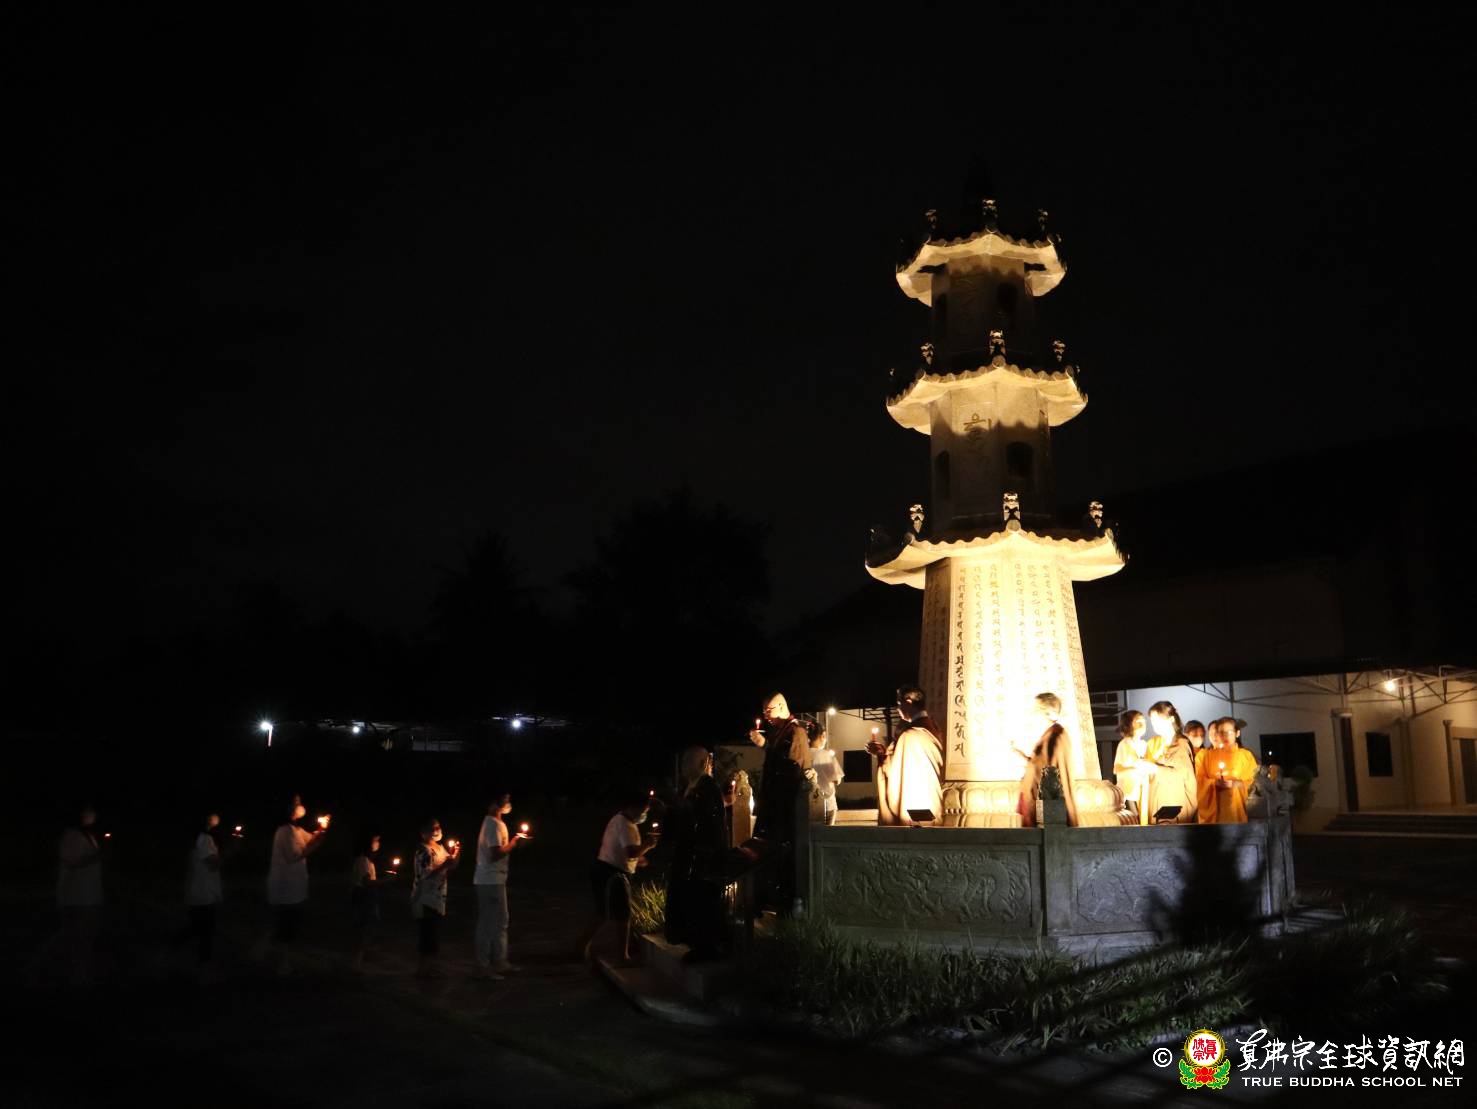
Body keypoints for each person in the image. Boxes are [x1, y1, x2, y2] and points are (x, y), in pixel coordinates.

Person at [665, 746, 731, 962]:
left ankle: (706, 947)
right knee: (692, 902)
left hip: (703, 860)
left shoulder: (707, 787)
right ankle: (696, 943)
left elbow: (710, 826)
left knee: (703, 904)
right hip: (690, 857)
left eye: (688, 763)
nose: (684, 768)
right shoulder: (691, 786)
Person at [587, 794, 660, 963]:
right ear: (632, 807)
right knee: (622, 915)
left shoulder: (618, 819)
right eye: (643, 810)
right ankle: (622, 956)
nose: (644, 814)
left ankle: (582, 946)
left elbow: (621, 848)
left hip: (606, 871)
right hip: (614, 874)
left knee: (604, 914)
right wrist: (648, 845)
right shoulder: (625, 825)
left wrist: (639, 859)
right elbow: (631, 852)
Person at [265, 795, 328, 975]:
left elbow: (311, 839)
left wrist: (322, 828)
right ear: (289, 809)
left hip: (293, 888)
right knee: (285, 925)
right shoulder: (285, 831)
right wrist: (315, 844)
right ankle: (281, 963)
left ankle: (280, 958)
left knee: (288, 924)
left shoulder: (296, 830)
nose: (300, 805)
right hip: (285, 888)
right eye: (297, 802)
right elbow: (295, 855)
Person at [869, 684, 943, 826]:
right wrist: (882, 753)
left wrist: (884, 757)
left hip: (914, 800)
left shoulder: (911, 734)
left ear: (908, 702)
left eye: (899, 703)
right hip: (931, 799)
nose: (897, 709)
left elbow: (899, 768)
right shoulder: (932, 727)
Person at [473, 792, 522, 980]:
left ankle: (500, 962)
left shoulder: (497, 823)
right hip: (489, 881)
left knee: (501, 921)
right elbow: (495, 854)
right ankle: (483, 966)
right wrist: (514, 843)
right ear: (494, 803)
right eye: (505, 799)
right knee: (488, 923)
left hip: (496, 880)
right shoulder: (492, 824)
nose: (508, 802)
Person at [1013, 693, 1079, 827]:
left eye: (1037, 710)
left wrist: (1030, 764)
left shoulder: (1056, 736)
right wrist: (1025, 758)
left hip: (1049, 804)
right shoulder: (1049, 735)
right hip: (1042, 799)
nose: (1032, 715)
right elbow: (1043, 763)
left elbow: (1049, 769)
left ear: (1050, 713)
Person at [56, 803, 105, 985]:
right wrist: (97, 856)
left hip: (88, 895)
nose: (92, 816)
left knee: (84, 938)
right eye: (88, 813)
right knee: (76, 938)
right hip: (79, 896)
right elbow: (71, 862)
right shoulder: (73, 836)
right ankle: (76, 976)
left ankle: (80, 974)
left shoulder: (87, 835)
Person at [752, 693, 811, 845]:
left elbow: (791, 769)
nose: (765, 716)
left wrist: (766, 745)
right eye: (764, 712)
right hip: (774, 807)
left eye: (768, 710)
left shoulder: (796, 732)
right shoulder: (780, 732)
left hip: (783, 809)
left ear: (781, 706)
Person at [410, 817, 461, 978]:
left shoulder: (440, 848)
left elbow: (451, 866)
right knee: (427, 935)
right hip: (424, 899)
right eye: (433, 828)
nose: (437, 830)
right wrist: (444, 865)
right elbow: (425, 875)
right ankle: (422, 970)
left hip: (438, 898)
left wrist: (456, 854)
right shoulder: (423, 851)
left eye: (438, 826)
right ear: (423, 832)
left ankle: (430, 968)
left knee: (433, 935)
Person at [177, 812, 225, 980]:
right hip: (203, 894)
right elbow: (213, 864)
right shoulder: (204, 839)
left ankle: (176, 952)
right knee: (204, 932)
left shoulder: (202, 839)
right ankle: (203, 967)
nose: (216, 819)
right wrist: (233, 850)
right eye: (213, 816)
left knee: (198, 929)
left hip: (200, 893)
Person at [1197, 717, 1260, 824]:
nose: (1225, 736)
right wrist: (1214, 783)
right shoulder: (1208, 756)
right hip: (1214, 816)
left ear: (1237, 733)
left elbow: (1256, 784)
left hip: (1237, 812)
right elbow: (1200, 782)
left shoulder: (1245, 756)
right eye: (1221, 733)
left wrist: (1236, 784)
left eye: (1229, 732)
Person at [1145, 701, 1198, 823]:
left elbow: (1182, 775)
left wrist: (1154, 768)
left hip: (1173, 805)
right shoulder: (1158, 744)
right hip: (1158, 802)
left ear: (1171, 719)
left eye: (1158, 720)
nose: (1155, 724)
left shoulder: (1181, 744)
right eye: (1152, 721)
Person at [1112, 710, 1156, 825]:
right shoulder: (1124, 744)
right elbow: (1117, 769)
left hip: (1143, 793)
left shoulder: (1144, 744)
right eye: (1138, 721)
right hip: (1128, 794)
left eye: (1144, 721)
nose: (1142, 724)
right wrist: (1136, 769)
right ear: (1128, 724)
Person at [350, 832, 384, 972]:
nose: (378, 843)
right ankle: (356, 962)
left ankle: (361, 958)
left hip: (366, 896)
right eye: (375, 840)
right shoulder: (363, 860)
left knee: (367, 928)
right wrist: (386, 881)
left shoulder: (368, 861)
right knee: (363, 929)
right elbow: (366, 882)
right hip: (363, 897)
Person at [808, 722, 844, 825]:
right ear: (823, 736)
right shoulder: (827, 755)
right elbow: (837, 780)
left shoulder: (802, 754)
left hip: (807, 804)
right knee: (827, 833)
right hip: (828, 804)